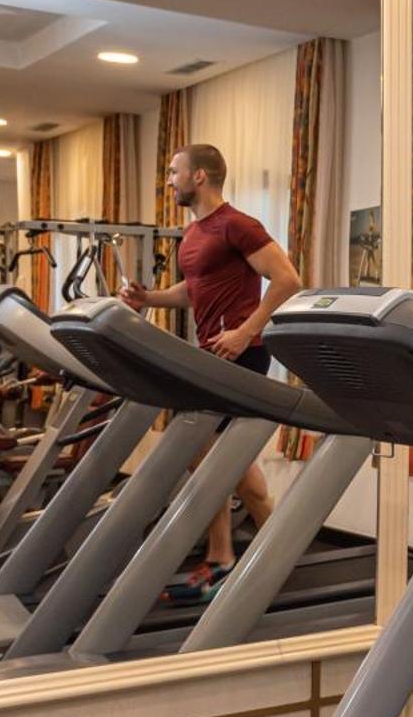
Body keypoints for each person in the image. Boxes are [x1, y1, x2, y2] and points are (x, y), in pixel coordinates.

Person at [117, 143, 303, 596]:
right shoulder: (196, 232)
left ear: (199, 176)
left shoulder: (237, 224)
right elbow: (193, 290)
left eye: (174, 170)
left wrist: (245, 331)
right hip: (213, 352)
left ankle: (223, 555)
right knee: (221, 460)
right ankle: (276, 548)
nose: (169, 179)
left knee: (209, 454)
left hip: (244, 353)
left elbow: (288, 280)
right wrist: (149, 299)